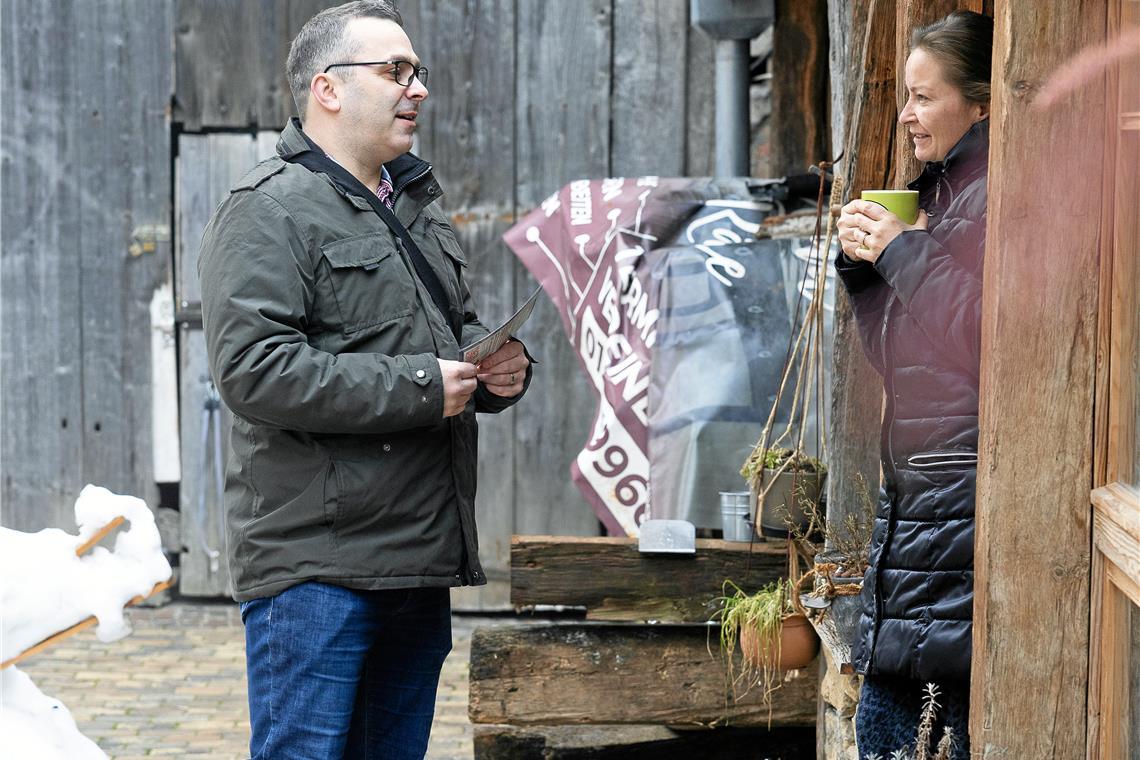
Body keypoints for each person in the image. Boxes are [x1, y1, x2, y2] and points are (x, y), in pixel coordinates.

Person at [197, 2, 532, 758]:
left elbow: (448, 330)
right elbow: (255, 371)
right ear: (328, 88)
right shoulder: (268, 209)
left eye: (418, 74)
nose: (416, 90)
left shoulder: (413, 207)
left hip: (416, 560)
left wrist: (494, 367)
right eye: (395, 71)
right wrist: (420, 385)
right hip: (318, 570)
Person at [834, 11, 992, 759]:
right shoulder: (944, 197)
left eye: (924, 97)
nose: (906, 115)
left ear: (983, 104)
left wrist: (904, 255)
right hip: (922, 520)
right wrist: (865, 274)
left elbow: (991, 340)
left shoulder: (1001, 198)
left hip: (961, 526)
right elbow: (905, 359)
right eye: (905, 95)